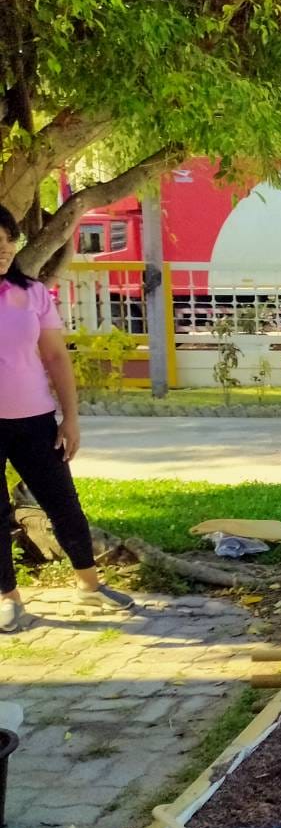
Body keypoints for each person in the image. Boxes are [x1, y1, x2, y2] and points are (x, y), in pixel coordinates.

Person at [0, 205, 134, 634]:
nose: (2, 251)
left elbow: (56, 357)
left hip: (35, 419)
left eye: (8, 242)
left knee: (63, 504)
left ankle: (89, 586)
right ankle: (9, 598)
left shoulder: (33, 294)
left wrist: (70, 418)